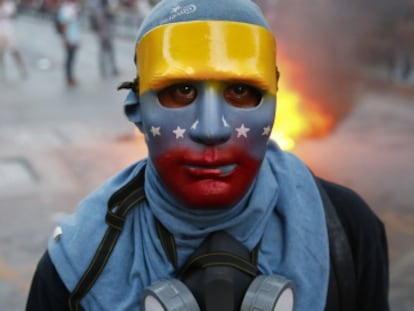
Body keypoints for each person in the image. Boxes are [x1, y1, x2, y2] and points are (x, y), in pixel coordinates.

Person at [26, 0, 389, 310]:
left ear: (276, 106)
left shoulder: (347, 232)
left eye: (242, 91)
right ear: (137, 110)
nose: (211, 128)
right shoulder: (74, 267)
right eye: (181, 90)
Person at [89, 0, 119, 78]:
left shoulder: (102, 3)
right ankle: (104, 70)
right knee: (103, 50)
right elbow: (99, 17)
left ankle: (112, 68)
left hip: (107, 29)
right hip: (102, 31)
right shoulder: (97, 4)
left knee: (110, 49)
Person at [0, 0, 27, 80]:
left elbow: (14, 16)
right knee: (1, 54)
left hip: (8, 32)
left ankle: (22, 69)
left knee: (14, 51)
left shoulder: (9, 5)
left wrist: (5, 15)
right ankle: (2, 72)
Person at [56, 0, 80, 87]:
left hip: (74, 37)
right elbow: (62, 25)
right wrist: (66, 39)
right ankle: (69, 78)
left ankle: (71, 77)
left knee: (72, 59)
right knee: (69, 59)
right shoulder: (66, 9)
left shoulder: (73, 7)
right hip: (69, 38)